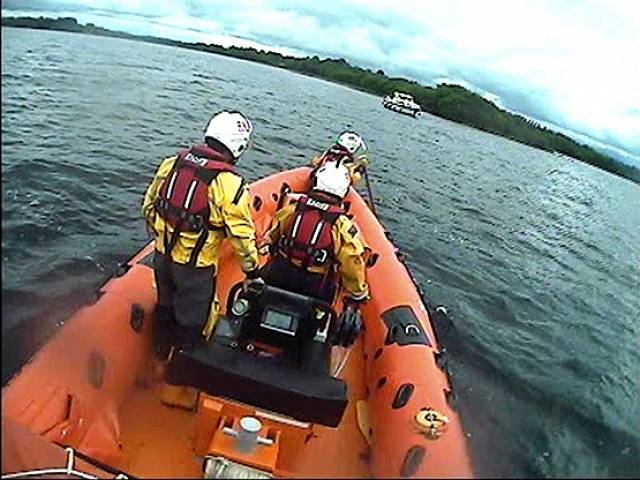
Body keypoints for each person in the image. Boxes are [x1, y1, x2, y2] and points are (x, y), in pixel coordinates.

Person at [142, 110, 260, 351]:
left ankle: (159, 351)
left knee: (165, 305)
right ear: (238, 146)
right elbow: (241, 234)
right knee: (193, 321)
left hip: (162, 256)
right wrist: (252, 271)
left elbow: (149, 206)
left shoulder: (172, 163)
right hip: (195, 269)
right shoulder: (229, 183)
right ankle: (182, 366)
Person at [260, 161, 369, 307]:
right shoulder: (341, 224)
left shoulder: (293, 209)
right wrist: (358, 292)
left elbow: (274, 233)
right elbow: (351, 260)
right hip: (314, 283)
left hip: (280, 271)